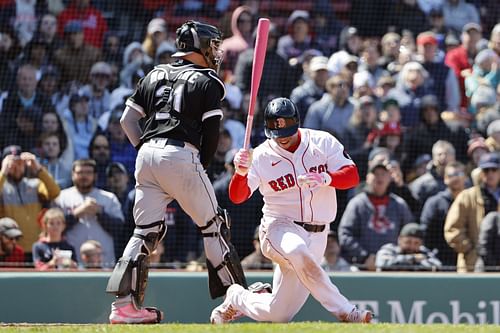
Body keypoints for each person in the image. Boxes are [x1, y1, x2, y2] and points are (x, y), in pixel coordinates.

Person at [106, 21, 247, 324]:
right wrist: (198, 167)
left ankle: (124, 307)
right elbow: (211, 135)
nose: (215, 51)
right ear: (198, 48)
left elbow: (127, 120)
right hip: (182, 155)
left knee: (145, 232)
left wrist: (147, 152)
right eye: (212, 45)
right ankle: (237, 298)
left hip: (146, 154)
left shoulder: (154, 73)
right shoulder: (209, 80)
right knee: (214, 225)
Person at [210, 97, 372, 324]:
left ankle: (238, 297)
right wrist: (241, 172)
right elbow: (238, 197)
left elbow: (352, 175)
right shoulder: (262, 154)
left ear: (297, 122)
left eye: (287, 131)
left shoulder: (322, 141)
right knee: (297, 250)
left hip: (319, 234)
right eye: (277, 134)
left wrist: (325, 178)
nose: (283, 138)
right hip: (279, 227)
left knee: (279, 314)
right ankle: (347, 312)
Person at [338, 161, 413, 271]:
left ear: (390, 178)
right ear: (368, 178)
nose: (379, 177)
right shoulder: (357, 203)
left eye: (383, 174)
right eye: (376, 174)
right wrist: (364, 256)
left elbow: (408, 233)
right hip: (362, 267)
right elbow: (345, 234)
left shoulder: (399, 204)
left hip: (393, 265)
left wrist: (397, 257)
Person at [54, 159, 124, 267]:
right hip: (72, 262)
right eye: (80, 173)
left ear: (95, 176)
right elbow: (54, 229)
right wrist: (78, 212)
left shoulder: (109, 198)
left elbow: (119, 229)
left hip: (104, 261)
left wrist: (99, 213)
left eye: (88, 173)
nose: (84, 176)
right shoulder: (62, 197)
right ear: (73, 175)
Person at [0, 145, 60, 256]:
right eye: (12, 163)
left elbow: (54, 192)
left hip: (35, 247)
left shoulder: (35, 184)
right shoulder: (2, 186)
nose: (17, 167)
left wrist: (38, 168)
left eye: (20, 163)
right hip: (9, 249)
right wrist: (3, 172)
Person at [420, 161, 466, 267]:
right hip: (440, 261)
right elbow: (426, 233)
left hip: (467, 259)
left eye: (459, 174)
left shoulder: (473, 201)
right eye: (451, 175)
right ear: (445, 179)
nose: (455, 178)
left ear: (465, 178)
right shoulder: (434, 203)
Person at [375, 222, 442, 271]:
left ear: (421, 243)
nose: (412, 246)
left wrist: (403, 263)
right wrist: (413, 259)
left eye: (416, 243)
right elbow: (383, 264)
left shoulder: (424, 251)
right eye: (408, 242)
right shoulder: (389, 249)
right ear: (399, 240)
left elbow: (437, 266)